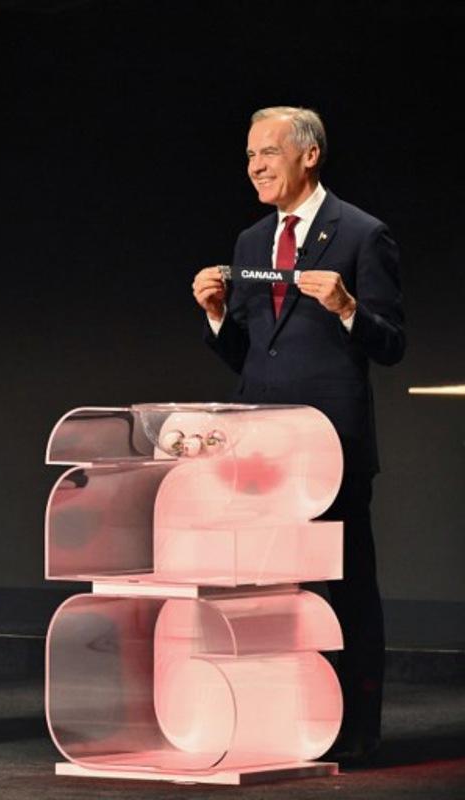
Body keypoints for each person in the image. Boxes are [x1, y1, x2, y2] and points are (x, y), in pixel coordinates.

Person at [192, 106, 404, 764]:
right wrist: (218, 316)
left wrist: (347, 309)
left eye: (268, 152)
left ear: (309, 155)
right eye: (249, 154)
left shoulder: (363, 235)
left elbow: (392, 344)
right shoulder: (252, 242)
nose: (255, 165)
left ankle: (356, 725)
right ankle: (285, 718)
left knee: (344, 588)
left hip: (331, 449)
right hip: (261, 450)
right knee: (272, 590)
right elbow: (256, 357)